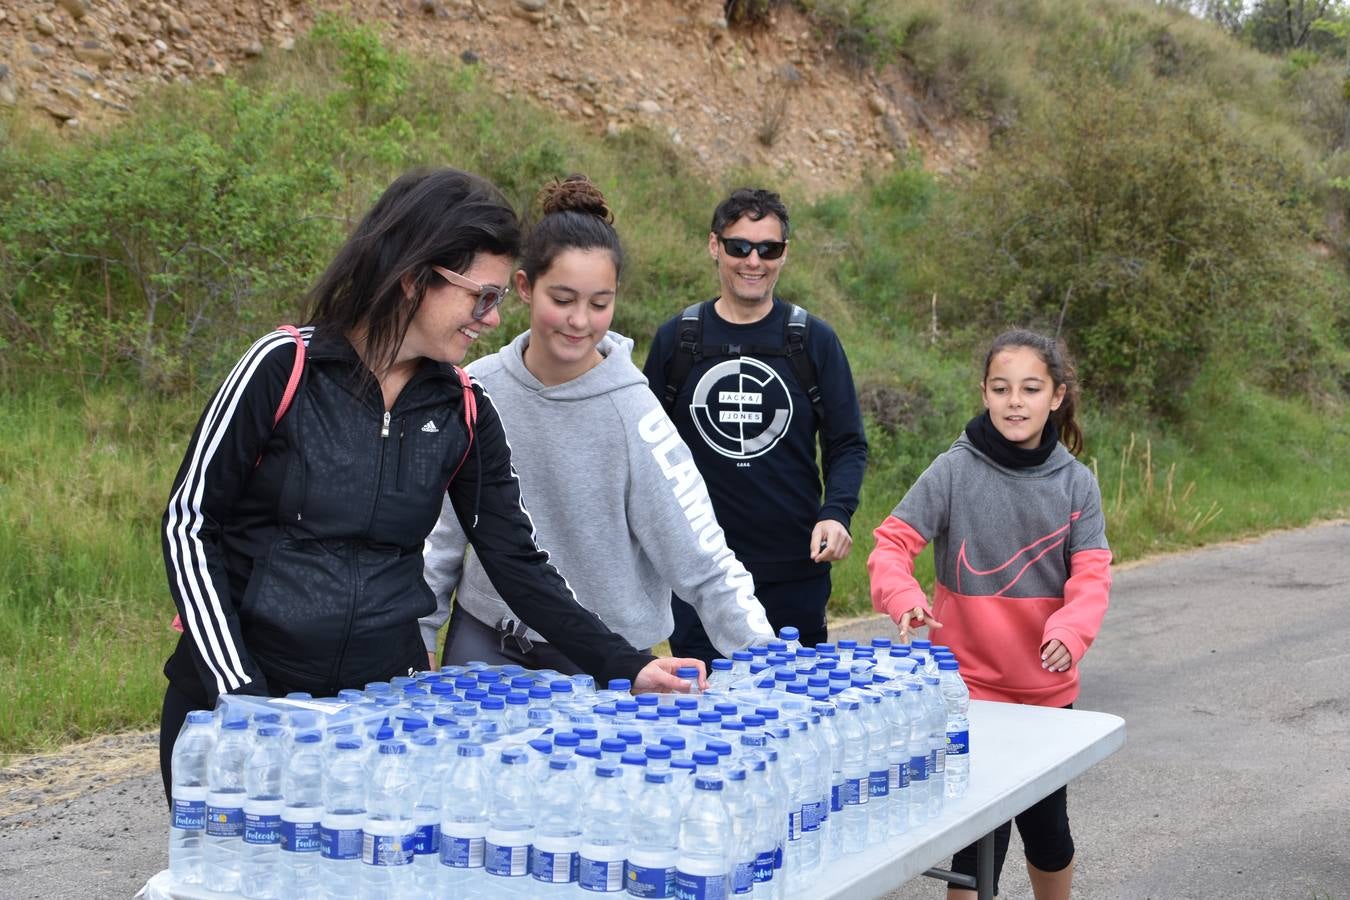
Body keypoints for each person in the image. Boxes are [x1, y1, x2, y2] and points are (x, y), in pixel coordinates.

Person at [158, 168, 701, 798]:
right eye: (482, 296)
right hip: (241, 707)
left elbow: (517, 563)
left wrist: (627, 665)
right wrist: (238, 693)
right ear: (416, 277)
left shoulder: (465, 409)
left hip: (380, 720)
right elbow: (190, 523)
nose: (492, 320)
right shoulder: (283, 367)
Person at [420, 175, 774, 671]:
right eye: (562, 300)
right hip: (484, 645)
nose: (579, 321)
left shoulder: (636, 415)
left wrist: (776, 665)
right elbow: (439, 542)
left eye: (599, 303)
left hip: (607, 661)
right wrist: (414, 650)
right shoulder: (475, 390)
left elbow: (705, 563)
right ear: (524, 287)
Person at [867, 329, 1113, 900]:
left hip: (1046, 690)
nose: (1015, 401)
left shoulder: (1077, 484)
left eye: (1030, 388)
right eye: (1001, 388)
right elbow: (890, 545)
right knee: (978, 836)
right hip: (967, 688)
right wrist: (903, 597)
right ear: (984, 393)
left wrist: (1072, 630)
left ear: (1056, 396)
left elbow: (1093, 576)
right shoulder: (954, 471)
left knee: (1048, 831)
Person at [642, 187, 868, 661]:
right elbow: (645, 453)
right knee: (702, 719)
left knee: (798, 715)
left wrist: (836, 512)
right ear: (714, 246)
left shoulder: (814, 341)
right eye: (739, 246)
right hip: (699, 572)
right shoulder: (677, 342)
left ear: (785, 254)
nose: (753, 260)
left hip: (795, 571)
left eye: (769, 248)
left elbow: (847, 443)